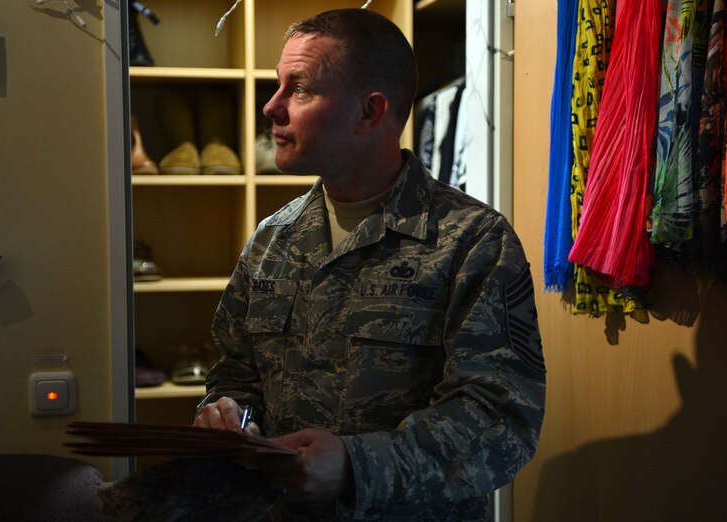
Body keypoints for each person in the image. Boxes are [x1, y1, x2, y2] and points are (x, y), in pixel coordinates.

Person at [193, 8, 546, 521]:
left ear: (370, 112)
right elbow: (237, 370)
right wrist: (226, 414)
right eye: (277, 86)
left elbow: (500, 421)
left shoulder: (471, 242)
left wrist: (357, 467)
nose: (271, 107)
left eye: (299, 89)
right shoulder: (273, 240)